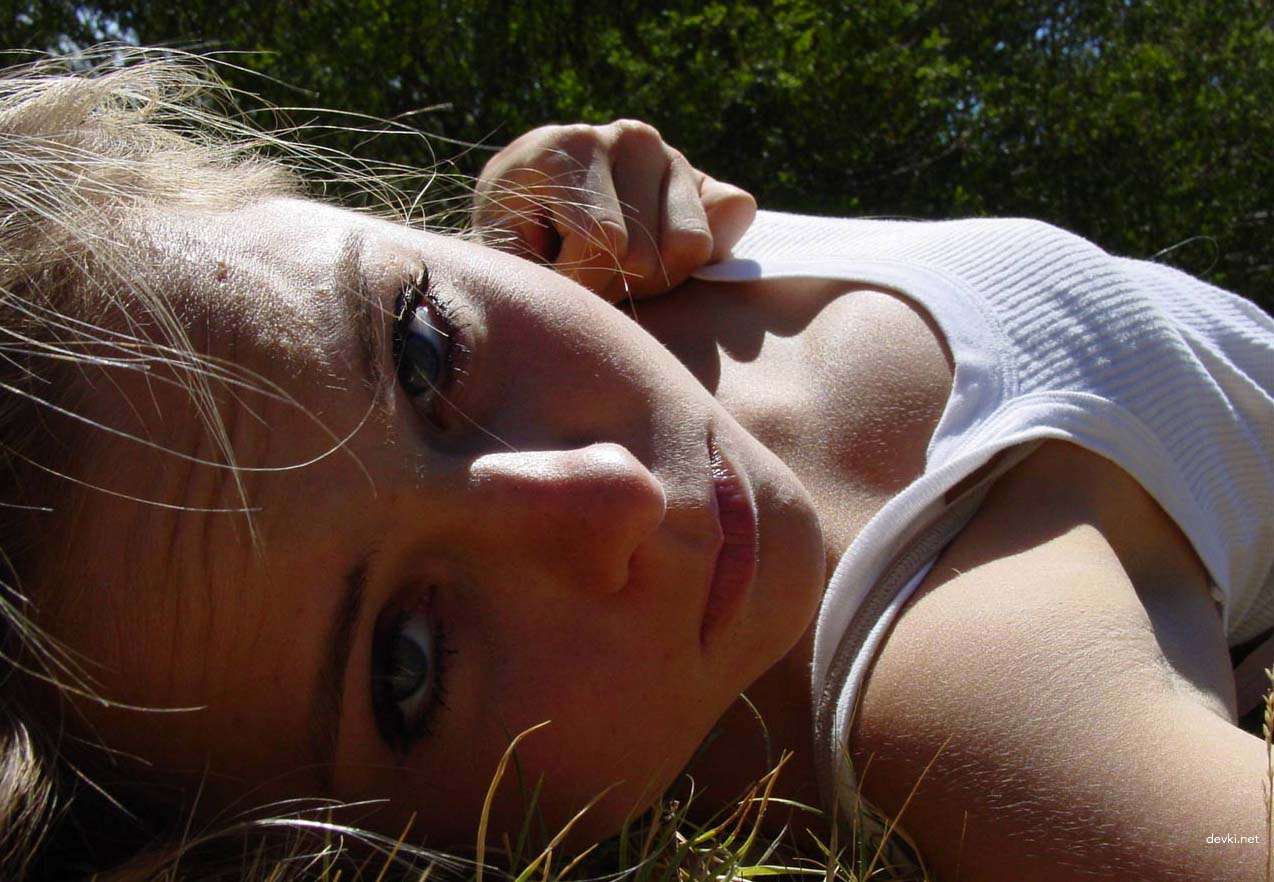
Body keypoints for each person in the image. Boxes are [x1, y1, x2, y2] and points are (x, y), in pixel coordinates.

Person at [0, 50, 1270, 882]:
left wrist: (530, 197)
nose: (606, 491)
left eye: (421, 349)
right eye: (407, 665)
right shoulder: (970, 698)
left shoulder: (592, 261)